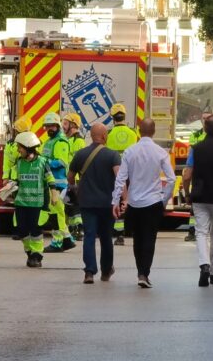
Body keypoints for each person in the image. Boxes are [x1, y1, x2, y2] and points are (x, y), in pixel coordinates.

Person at [112, 118, 175, 288]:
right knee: (149, 239)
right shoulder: (161, 152)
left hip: (134, 203)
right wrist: (164, 199)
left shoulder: (129, 152)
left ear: (139, 131)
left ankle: (140, 271)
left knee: (137, 239)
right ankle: (144, 274)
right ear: (153, 132)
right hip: (153, 202)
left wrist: (115, 201)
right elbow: (171, 179)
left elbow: (121, 178)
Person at [68, 123, 122, 284]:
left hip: (87, 202)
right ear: (105, 136)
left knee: (89, 235)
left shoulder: (80, 154)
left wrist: (76, 188)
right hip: (107, 204)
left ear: (91, 136)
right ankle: (106, 271)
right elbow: (119, 177)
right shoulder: (112, 155)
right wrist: (121, 198)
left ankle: (89, 272)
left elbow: (70, 177)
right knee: (106, 237)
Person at [182, 115, 213, 287]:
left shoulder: (196, 148)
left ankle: (204, 265)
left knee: (201, 232)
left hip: (199, 196)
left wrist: (186, 192)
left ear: (204, 128)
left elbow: (187, 175)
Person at [13, 131, 55, 267]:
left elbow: (50, 179)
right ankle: (30, 252)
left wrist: (54, 194)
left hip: (37, 204)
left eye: (20, 147)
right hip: (21, 203)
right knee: (22, 231)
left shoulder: (43, 162)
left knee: (36, 231)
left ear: (28, 147)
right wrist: (9, 187)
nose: (18, 150)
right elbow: (15, 180)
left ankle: (37, 256)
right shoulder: (19, 162)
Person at [40, 112, 76, 253]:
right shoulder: (50, 141)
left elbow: (61, 162)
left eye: (51, 126)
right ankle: (67, 239)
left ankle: (57, 242)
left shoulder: (60, 141)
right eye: (46, 126)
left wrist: (44, 162)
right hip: (52, 183)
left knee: (56, 213)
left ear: (57, 126)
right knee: (58, 212)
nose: (48, 129)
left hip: (58, 184)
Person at [106, 103, 138, 246]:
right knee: (132, 199)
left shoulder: (108, 134)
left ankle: (119, 234)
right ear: (124, 116)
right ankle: (132, 229)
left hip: (116, 172)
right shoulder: (133, 133)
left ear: (113, 118)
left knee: (117, 201)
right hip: (132, 171)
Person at [3, 115, 33, 239]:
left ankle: (27, 229)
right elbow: (7, 162)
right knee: (19, 204)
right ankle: (20, 229)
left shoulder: (33, 142)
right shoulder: (11, 144)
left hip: (29, 178)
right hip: (16, 178)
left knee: (29, 205)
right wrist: (6, 177)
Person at [184, 111, 213, 242]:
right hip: (198, 176)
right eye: (203, 118)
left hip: (208, 175)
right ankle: (191, 231)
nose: (205, 120)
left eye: (207, 118)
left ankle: (205, 232)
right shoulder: (195, 136)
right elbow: (191, 155)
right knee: (194, 208)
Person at [63, 112, 86, 240]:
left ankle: (79, 229)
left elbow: (80, 162)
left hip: (75, 179)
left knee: (75, 205)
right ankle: (72, 229)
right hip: (66, 178)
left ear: (73, 125)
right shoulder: (66, 140)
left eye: (66, 124)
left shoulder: (79, 141)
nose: (63, 127)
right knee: (69, 205)